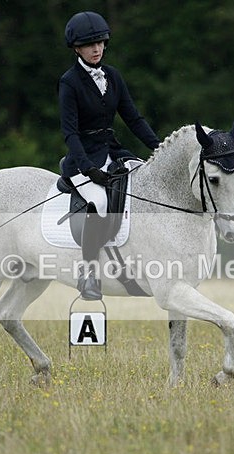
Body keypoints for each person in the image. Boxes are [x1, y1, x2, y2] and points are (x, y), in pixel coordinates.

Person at [59, 11, 160, 300]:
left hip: (113, 151)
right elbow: (70, 133)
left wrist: (159, 148)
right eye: (90, 45)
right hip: (83, 158)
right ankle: (88, 273)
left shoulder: (112, 76)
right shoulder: (69, 82)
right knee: (100, 201)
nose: (97, 49)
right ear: (77, 48)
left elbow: (134, 119)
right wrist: (89, 169)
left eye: (101, 43)